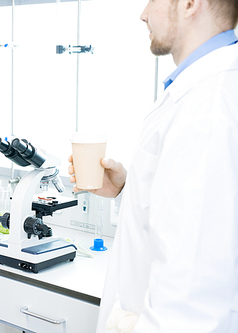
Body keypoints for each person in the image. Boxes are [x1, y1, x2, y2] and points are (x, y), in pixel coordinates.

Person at [69, 0, 238, 332]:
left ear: (190, 4)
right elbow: (192, 214)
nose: (143, 13)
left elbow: (189, 300)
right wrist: (126, 189)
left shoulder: (209, 108)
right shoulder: (197, 93)